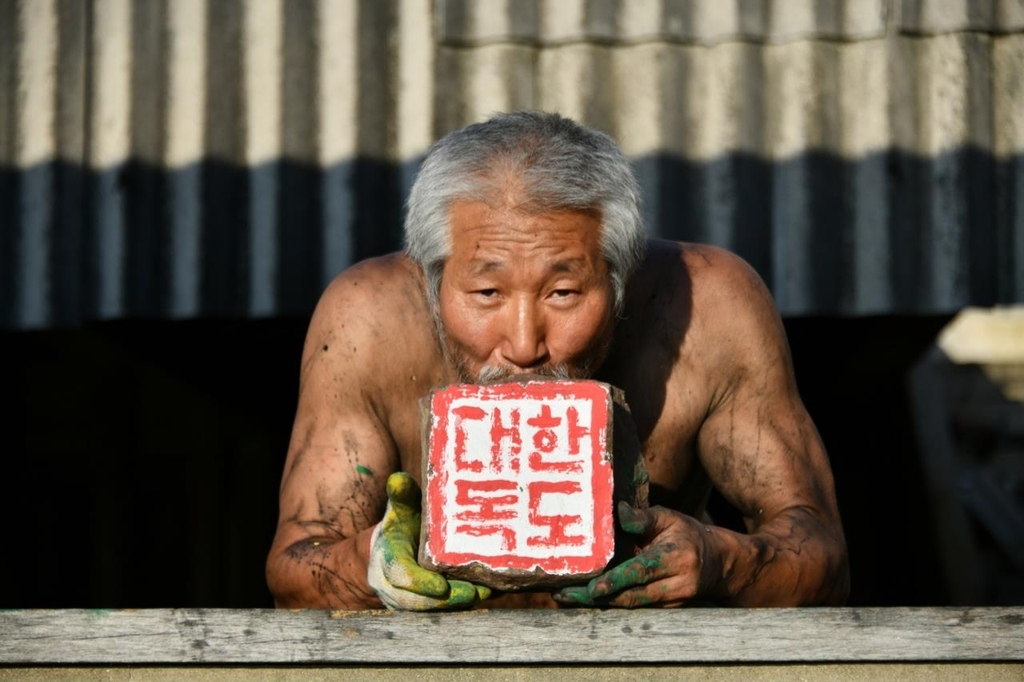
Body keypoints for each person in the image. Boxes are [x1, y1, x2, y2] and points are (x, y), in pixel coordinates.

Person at [265, 111, 850, 610]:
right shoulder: (364, 319)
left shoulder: (709, 308)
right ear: (433, 277)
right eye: (486, 294)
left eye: (562, 294)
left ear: (620, 278)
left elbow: (824, 556)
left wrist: (722, 562)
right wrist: (369, 566)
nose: (524, 346)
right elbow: (294, 570)